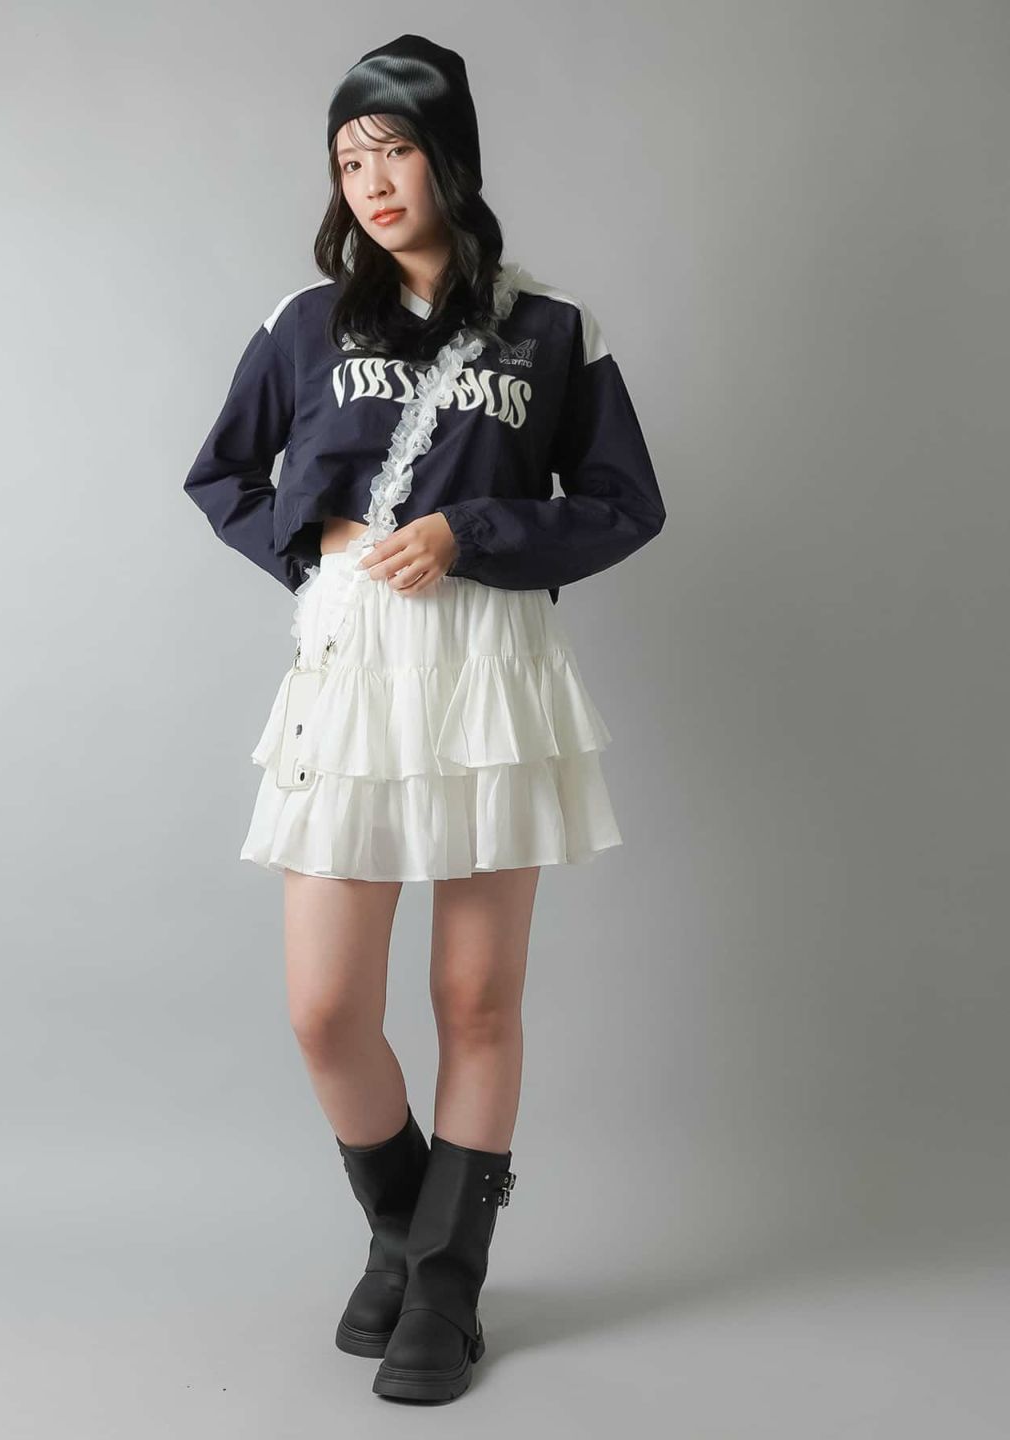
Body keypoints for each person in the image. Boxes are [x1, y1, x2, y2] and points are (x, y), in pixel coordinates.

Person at [183, 34, 666, 1404]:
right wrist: (315, 541)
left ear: (447, 156)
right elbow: (223, 474)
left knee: (474, 998)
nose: (373, 180)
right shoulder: (303, 323)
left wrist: (474, 532)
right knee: (326, 1008)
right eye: (350, 158)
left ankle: (444, 1288)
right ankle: (407, 1231)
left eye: (394, 149)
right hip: (351, 673)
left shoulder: (552, 330)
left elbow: (624, 502)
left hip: (492, 671)